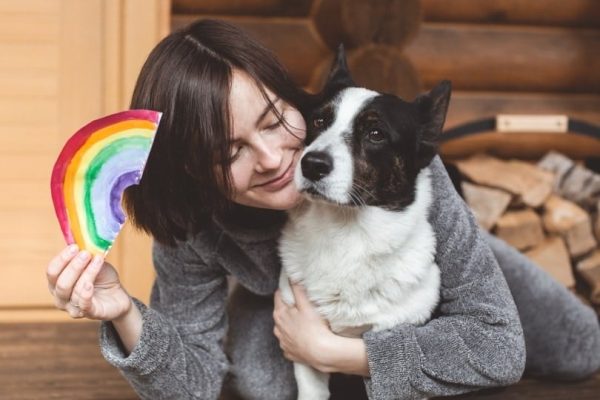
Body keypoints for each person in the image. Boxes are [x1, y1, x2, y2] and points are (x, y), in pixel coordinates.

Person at [45, 19, 600, 400]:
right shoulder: (195, 224)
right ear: (194, 168)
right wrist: (123, 311)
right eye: (229, 151)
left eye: (272, 122)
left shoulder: (399, 169)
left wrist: (342, 354)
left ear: (293, 96)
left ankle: (473, 256)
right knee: (266, 382)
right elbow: (191, 384)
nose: (272, 159)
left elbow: (499, 351)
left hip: (408, 263)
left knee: (579, 347)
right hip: (294, 292)